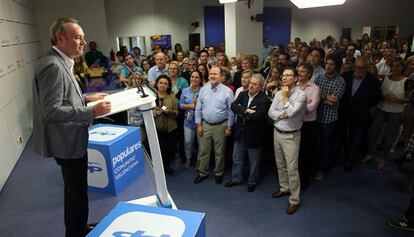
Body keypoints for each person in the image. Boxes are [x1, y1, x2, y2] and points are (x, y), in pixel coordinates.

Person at [33, 18, 111, 237]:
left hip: (73, 139)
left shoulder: (61, 61)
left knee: (78, 192)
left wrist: (87, 98)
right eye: (78, 37)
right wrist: (91, 112)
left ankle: (79, 227)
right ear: (60, 38)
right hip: (67, 144)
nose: (83, 42)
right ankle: (75, 233)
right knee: (75, 193)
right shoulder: (53, 65)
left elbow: (67, 98)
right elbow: (51, 111)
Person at [268, 67, 307, 215]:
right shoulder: (278, 93)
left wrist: (285, 99)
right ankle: (284, 188)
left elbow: (291, 112)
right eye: (283, 75)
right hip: (277, 132)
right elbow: (271, 112)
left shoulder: (301, 95)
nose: (284, 78)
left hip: (291, 136)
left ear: (296, 78)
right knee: (280, 164)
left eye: (288, 75)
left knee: (292, 169)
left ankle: (294, 199)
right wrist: (282, 114)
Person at [225, 74, 270, 192]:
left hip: (254, 135)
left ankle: (252, 182)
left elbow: (259, 117)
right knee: (237, 158)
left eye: (255, 84)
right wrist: (246, 110)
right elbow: (233, 106)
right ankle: (236, 179)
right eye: (250, 83)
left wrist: (243, 111)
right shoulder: (242, 94)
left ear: (260, 87)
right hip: (240, 133)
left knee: (254, 162)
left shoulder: (264, 99)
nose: (251, 86)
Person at [194, 66, 234, 184]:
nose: (212, 76)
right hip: (205, 125)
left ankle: (219, 173)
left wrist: (229, 127)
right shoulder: (203, 90)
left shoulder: (228, 91)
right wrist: (199, 125)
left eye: (215, 74)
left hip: (221, 126)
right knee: (203, 151)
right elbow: (198, 108)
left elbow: (231, 111)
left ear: (221, 77)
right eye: (211, 74)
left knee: (219, 152)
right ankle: (202, 173)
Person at [340, 56, 381, 172]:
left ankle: (350, 160)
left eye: (362, 68)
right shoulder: (346, 76)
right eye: (357, 67)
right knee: (343, 136)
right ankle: (342, 156)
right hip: (344, 113)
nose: (358, 70)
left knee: (356, 138)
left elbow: (376, 98)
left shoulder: (373, 81)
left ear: (367, 68)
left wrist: (370, 110)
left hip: (361, 115)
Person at [297, 64, 320, 189]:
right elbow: (285, 103)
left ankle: (305, 180)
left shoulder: (314, 88)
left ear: (309, 74)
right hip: (295, 123)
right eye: (298, 71)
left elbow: (311, 108)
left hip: (308, 125)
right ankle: (295, 179)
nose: (299, 73)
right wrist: (304, 103)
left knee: (306, 153)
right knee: (296, 153)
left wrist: (294, 105)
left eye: (302, 71)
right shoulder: (293, 86)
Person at [153, 75, 179, 175]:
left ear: (168, 86)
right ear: (157, 84)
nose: (163, 85)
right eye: (161, 83)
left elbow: (177, 113)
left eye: (165, 83)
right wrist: (156, 113)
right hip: (156, 128)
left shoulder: (172, 98)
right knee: (159, 150)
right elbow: (147, 112)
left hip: (170, 128)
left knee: (169, 149)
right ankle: (158, 168)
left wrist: (170, 112)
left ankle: (166, 166)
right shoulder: (151, 97)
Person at [179, 70, 203, 168]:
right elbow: (180, 105)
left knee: (201, 143)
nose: (194, 79)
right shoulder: (185, 91)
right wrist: (191, 106)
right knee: (188, 142)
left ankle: (199, 160)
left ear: (200, 80)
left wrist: (199, 105)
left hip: (201, 122)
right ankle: (188, 158)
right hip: (188, 121)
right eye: (192, 77)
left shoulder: (204, 91)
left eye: (197, 77)